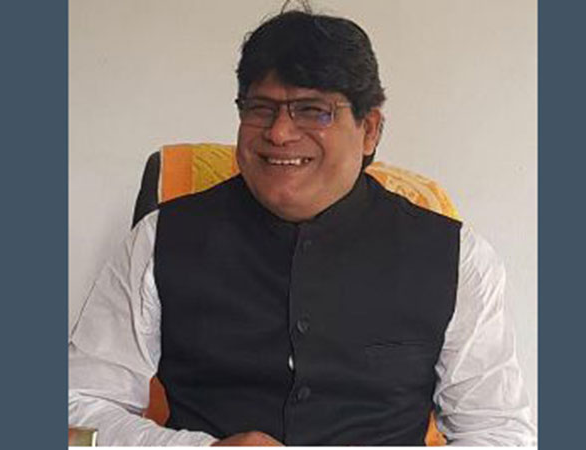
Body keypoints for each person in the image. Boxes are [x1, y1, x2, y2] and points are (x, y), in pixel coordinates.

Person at [68, 5, 536, 447]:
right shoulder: (161, 240)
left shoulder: (455, 258)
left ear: (370, 129)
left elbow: (499, 433)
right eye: (260, 108)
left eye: (313, 110)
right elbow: (79, 409)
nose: (279, 133)